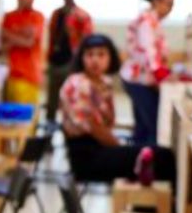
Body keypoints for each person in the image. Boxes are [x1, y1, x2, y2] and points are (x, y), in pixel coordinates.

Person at [61, 34, 175, 186]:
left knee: (160, 154)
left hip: (102, 148)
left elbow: (107, 124)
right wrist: (120, 147)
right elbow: (94, 128)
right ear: (81, 58)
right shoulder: (79, 84)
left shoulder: (104, 83)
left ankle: (149, 201)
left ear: (110, 58)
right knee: (163, 158)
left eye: (101, 54)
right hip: (87, 158)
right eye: (89, 55)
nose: (95, 60)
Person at [121, 0, 175, 146]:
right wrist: (161, 75)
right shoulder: (147, 21)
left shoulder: (153, 21)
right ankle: (150, 157)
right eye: (168, 4)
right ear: (155, 1)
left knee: (143, 125)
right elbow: (148, 51)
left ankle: (138, 153)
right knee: (153, 125)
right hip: (139, 80)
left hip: (141, 79)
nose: (170, 9)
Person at [46, 0, 93, 124]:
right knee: (52, 98)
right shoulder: (56, 14)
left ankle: (69, 126)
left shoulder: (82, 15)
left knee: (69, 97)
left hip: (71, 62)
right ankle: (49, 126)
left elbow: (87, 40)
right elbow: (51, 37)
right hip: (55, 61)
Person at [1, 0, 45, 104]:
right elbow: (3, 46)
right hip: (13, 75)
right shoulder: (9, 17)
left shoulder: (37, 16)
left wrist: (10, 35)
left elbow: (29, 43)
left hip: (31, 76)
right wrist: (21, 37)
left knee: (28, 114)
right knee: (13, 114)